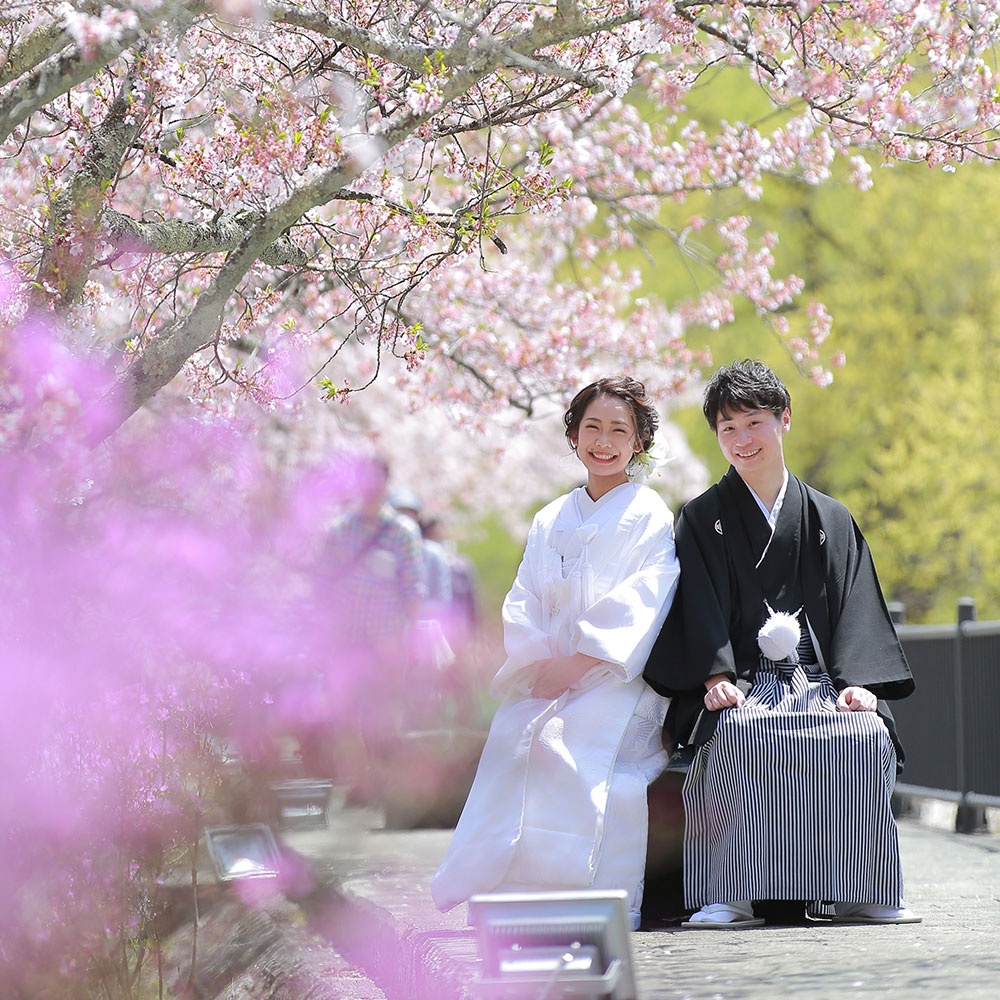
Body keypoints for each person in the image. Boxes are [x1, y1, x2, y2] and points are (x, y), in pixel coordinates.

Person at [643, 360, 919, 928]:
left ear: (784, 420)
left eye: (754, 423)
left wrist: (859, 683)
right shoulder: (701, 518)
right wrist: (714, 676)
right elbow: (696, 606)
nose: (742, 440)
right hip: (739, 680)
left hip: (822, 678)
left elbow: (854, 605)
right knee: (742, 733)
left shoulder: (829, 517)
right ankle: (729, 892)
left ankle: (862, 889)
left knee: (863, 733)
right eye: (727, 429)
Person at [431, 377, 681, 930]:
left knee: (554, 745)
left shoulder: (650, 515)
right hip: (548, 675)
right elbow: (524, 598)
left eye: (620, 429)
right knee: (510, 740)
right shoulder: (550, 518)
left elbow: (645, 599)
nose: (604, 440)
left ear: (639, 441)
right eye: (592, 426)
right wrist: (540, 663)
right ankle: (506, 894)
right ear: (573, 435)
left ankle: (580, 895)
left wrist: (582, 662)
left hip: (616, 680)